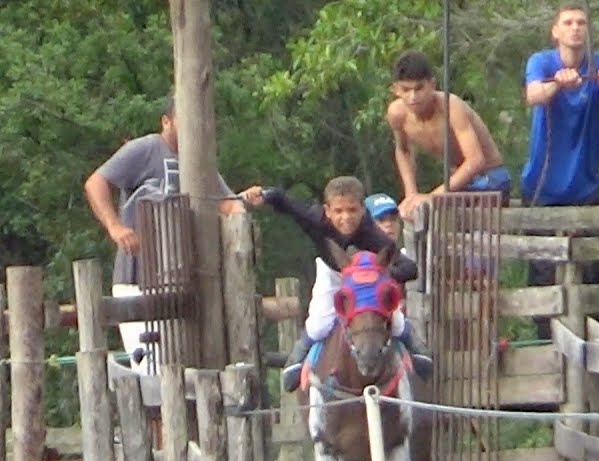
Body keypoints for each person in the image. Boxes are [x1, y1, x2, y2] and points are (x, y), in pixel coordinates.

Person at [84, 94, 246, 374]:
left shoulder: (198, 161)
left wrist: (243, 210)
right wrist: (115, 226)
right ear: (167, 121)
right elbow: (96, 182)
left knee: (185, 367)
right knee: (151, 369)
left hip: (182, 282)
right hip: (138, 277)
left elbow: (226, 201)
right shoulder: (146, 148)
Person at [241, 177, 432, 392]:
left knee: (393, 320)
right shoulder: (314, 218)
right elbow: (287, 203)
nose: (346, 218)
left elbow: (409, 268)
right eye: (339, 211)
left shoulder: (372, 234)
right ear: (327, 210)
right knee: (320, 323)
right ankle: (296, 358)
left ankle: (416, 347)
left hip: (367, 280)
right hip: (332, 273)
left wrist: (380, 276)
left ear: (363, 211)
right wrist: (264, 195)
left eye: (352, 210)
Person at [522, 2, 599, 337]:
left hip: (586, 186)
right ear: (555, 31)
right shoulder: (542, 61)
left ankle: (598, 344)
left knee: (593, 269)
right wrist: (558, 84)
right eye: (567, 22)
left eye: (581, 22)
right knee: (542, 271)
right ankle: (544, 345)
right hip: (544, 185)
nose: (575, 28)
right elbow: (533, 94)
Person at [387, 50, 511, 220]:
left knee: (445, 213)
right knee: (416, 211)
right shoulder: (397, 114)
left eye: (419, 88)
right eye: (406, 90)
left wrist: (432, 196)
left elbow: (476, 160)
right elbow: (403, 150)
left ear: (432, 84)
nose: (413, 97)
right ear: (396, 90)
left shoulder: (450, 107)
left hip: (489, 177)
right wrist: (411, 195)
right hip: (458, 184)